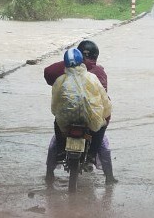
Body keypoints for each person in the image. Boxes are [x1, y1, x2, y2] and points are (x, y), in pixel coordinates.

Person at [44, 42, 117, 185]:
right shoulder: (96, 75)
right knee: (103, 143)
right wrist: (106, 116)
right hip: (90, 119)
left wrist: (58, 114)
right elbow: (103, 98)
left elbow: (55, 102)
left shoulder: (60, 76)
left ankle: (50, 172)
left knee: (54, 141)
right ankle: (108, 176)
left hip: (67, 120)